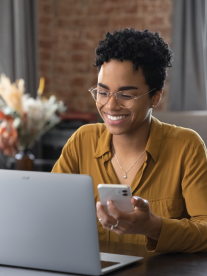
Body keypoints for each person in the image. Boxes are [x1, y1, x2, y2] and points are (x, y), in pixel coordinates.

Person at [52, 28, 207, 253]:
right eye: (102, 92)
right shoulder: (81, 142)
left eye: (126, 95)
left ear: (156, 96)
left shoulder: (187, 147)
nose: (110, 106)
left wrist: (154, 227)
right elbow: (48, 211)